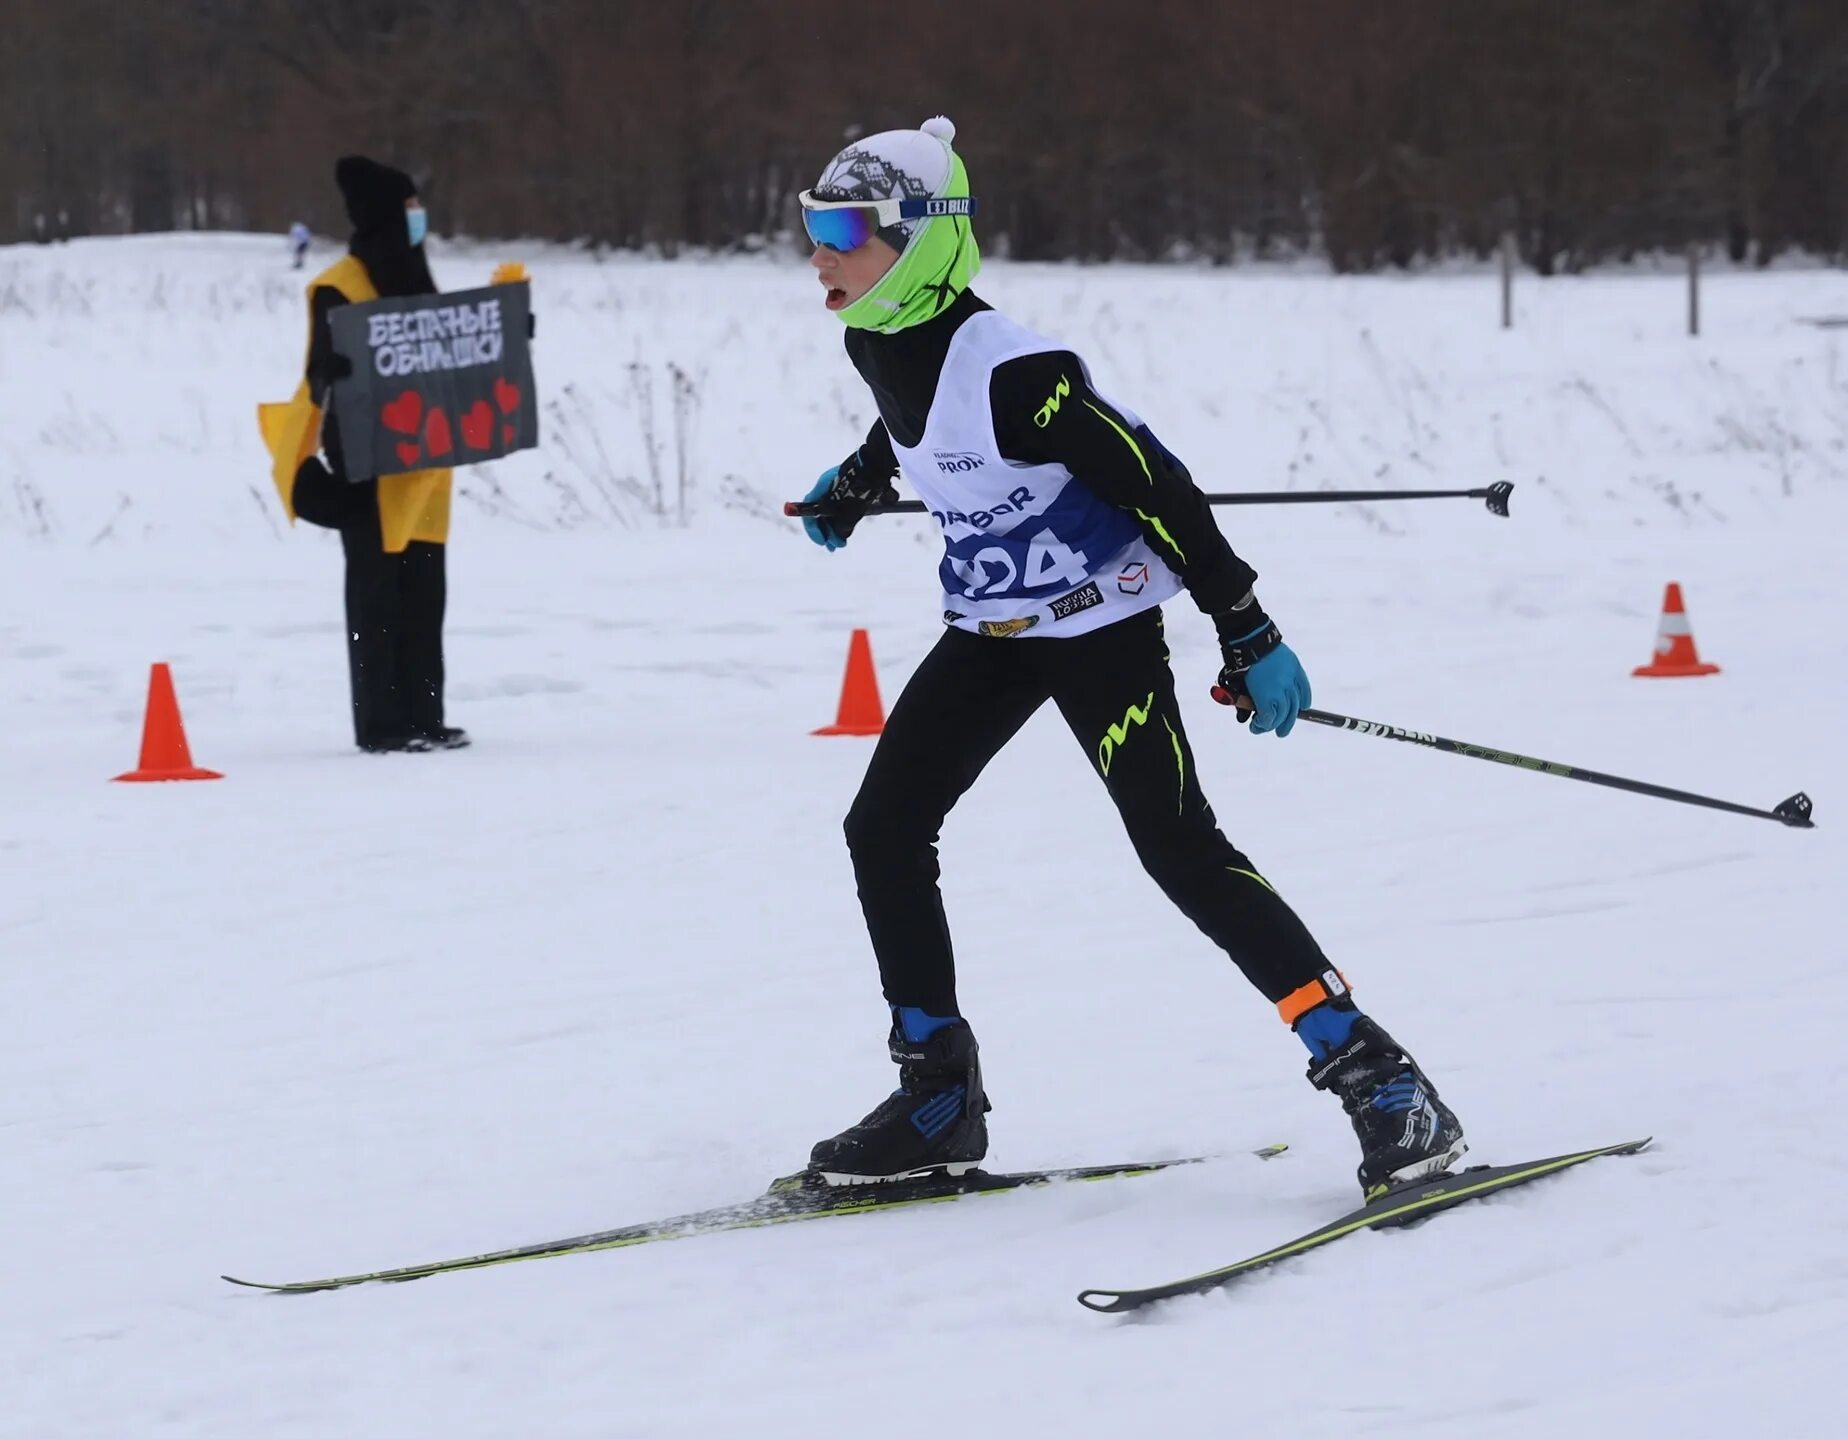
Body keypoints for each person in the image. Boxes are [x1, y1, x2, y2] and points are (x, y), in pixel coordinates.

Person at [794, 117, 1465, 1199]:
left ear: (921, 241)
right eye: (810, 227)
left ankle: (1381, 1077)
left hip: (1101, 630)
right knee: (883, 825)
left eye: (841, 229)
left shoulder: (1024, 372)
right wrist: (860, 474)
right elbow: (911, 424)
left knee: (1180, 850)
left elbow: (1160, 485)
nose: (817, 254)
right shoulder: (874, 337)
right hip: (995, 631)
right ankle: (937, 1092)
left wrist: (1247, 630)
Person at [263, 157, 465, 753]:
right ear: (382, 213)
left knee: (425, 599)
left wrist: (505, 340)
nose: (417, 218)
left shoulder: (418, 278)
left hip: (427, 468)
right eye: (407, 208)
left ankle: (426, 715)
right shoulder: (338, 285)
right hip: (368, 467)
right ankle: (382, 723)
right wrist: (332, 370)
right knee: (376, 601)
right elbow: (315, 382)